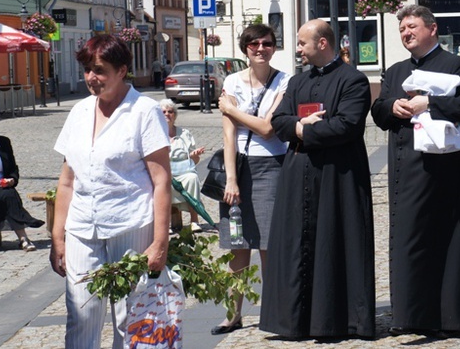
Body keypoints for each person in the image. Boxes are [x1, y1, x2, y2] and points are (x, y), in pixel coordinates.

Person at [371, 5, 460, 336]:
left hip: (447, 172)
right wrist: (391, 107)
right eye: (402, 30)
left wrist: (431, 104)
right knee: (409, 241)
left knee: (449, 240)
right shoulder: (395, 71)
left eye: (411, 27)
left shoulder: (457, 65)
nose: (406, 33)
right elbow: (378, 111)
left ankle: (453, 316)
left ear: (432, 29)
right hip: (406, 170)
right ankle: (410, 316)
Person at [50, 35, 171, 349]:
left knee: (130, 317)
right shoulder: (79, 112)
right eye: (88, 69)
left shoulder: (144, 111)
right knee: (81, 315)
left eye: (100, 70)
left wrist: (160, 242)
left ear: (122, 71)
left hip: (130, 225)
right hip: (81, 227)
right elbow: (66, 180)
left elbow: (161, 181)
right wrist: (57, 235)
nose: (92, 77)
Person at [259, 19, 375, 339]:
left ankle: (335, 320)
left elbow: (347, 125)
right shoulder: (297, 82)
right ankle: (295, 321)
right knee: (297, 245)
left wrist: (302, 130)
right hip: (299, 174)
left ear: (322, 44)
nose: (297, 50)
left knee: (333, 243)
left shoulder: (353, 80)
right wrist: (298, 124)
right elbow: (279, 121)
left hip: (338, 176)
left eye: (301, 43)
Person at [211, 24, 290, 335]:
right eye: (254, 44)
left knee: (268, 244)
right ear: (245, 49)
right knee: (237, 243)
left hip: (271, 163)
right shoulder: (232, 80)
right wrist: (231, 179)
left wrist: (231, 108)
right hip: (238, 167)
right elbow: (228, 133)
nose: (260, 48)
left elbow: (268, 128)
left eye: (267, 43)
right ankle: (233, 314)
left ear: (273, 47)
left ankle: (273, 311)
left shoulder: (284, 80)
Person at [0, 106, 43, 254]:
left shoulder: (3, 142)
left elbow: (13, 168)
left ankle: (23, 238)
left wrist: (12, 180)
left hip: (1, 181)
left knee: (10, 195)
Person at [160, 99, 205, 232]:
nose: (167, 114)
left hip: (184, 170)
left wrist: (194, 155)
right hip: (165, 172)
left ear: (175, 115)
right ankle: (166, 224)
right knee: (162, 183)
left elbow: (194, 162)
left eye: (170, 111)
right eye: (163, 112)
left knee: (192, 179)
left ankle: (194, 221)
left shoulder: (184, 133)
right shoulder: (155, 134)